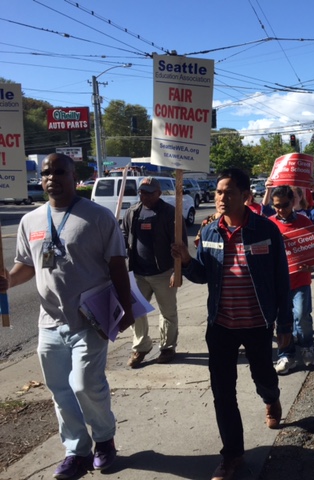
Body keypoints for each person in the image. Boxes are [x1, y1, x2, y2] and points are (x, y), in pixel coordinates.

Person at [0, 153, 134, 478]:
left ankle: (104, 439)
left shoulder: (99, 217)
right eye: (46, 172)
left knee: (85, 383)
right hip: (48, 324)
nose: (52, 177)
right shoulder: (29, 221)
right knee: (60, 390)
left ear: (75, 176)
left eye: (60, 171)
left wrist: (127, 310)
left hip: (91, 319)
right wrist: (7, 280)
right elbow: (27, 266)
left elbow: (117, 265)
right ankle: (77, 450)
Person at [171, 168, 292, 480]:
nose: (221, 198)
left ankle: (271, 398)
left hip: (257, 324)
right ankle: (232, 455)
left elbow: (281, 279)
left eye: (228, 192)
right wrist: (185, 261)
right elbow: (203, 275)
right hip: (221, 326)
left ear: (245, 196)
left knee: (263, 375)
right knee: (223, 392)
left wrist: (285, 325)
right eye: (217, 193)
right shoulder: (210, 232)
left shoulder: (266, 230)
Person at [122, 177, 188, 368]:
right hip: (138, 273)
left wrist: (177, 270)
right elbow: (125, 235)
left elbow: (180, 244)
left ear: (159, 193)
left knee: (167, 311)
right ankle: (141, 347)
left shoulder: (170, 214)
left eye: (150, 192)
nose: (145, 195)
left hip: (163, 272)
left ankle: (167, 347)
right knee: (136, 311)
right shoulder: (132, 212)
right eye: (142, 191)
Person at [268, 185, 314, 374]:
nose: (280, 209)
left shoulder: (305, 222)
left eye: (285, 205)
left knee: (302, 315)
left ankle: (306, 347)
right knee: (283, 319)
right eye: (276, 206)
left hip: (301, 280)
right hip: (278, 283)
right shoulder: (269, 224)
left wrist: (312, 265)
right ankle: (286, 355)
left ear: (293, 202)